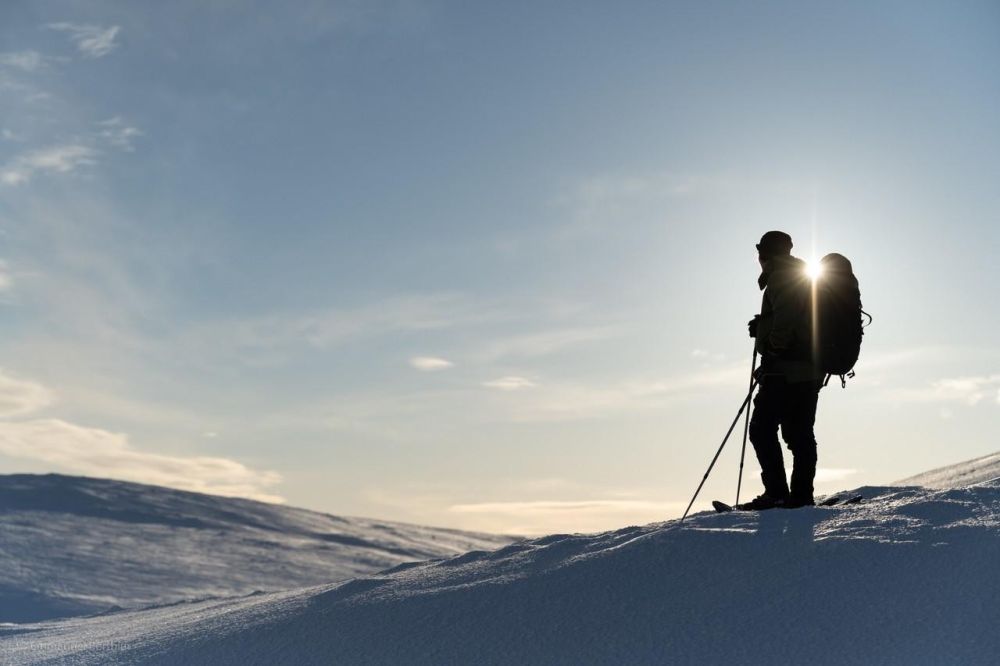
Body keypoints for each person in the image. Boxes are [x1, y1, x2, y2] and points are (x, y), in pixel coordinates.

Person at [742, 231, 824, 510]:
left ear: (765, 254)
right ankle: (801, 496)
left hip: (784, 372)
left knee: (761, 429)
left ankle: (777, 493)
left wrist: (771, 346)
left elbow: (786, 323)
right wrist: (763, 324)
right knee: (799, 433)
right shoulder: (803, 276)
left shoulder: (782, 277)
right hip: (809, 371)